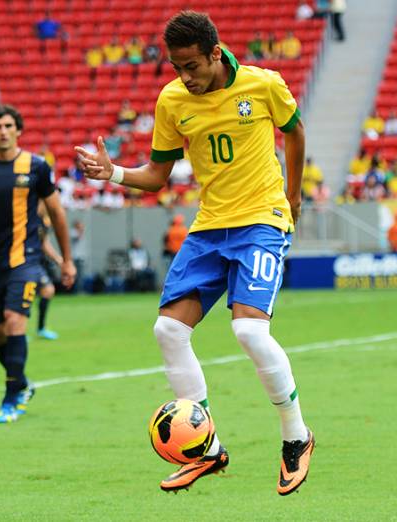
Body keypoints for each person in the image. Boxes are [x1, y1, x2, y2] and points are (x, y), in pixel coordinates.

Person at [74, 11, 313, 495]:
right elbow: (158, 175)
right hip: (209, 227)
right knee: (167, 329)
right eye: (176, 67)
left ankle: (296, 437)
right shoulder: (173, 100)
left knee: (248, 328)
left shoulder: (263, 84)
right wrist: (113, 172)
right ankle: (207, 450)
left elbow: (295, 132)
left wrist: (294, 194)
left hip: (261, 221)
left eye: (192, 66)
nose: (186, 76)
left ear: (214, 52)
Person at [0, 105, 76, 424]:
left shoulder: (36, 167)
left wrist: (67, 260)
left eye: (9, 125)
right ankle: (22, 383)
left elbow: (57, 214)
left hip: (26, 259)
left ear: (18, 130)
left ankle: (11, 397)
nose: (3, 131)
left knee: (14, 320)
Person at [35, 202, 62, 340]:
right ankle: (16, 331)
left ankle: (40, 328)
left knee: (48, 290)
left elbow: (45, 243)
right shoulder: (28, 216)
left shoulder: (45, 220)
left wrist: (60, 260)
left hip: (36, 262)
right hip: (23, 260)